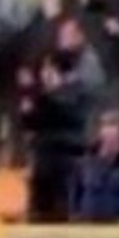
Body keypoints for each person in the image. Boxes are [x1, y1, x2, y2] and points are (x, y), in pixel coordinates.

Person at [22, 18, 103, 222]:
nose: (61, 40)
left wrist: (57, 87)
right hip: (48, 139)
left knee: (66, 192)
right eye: (61, 35)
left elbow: (80, 95)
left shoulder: (88, 63)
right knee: (42, 185)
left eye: (67, 35)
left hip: (74, 141)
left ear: (79, 36)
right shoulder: (53, 60)